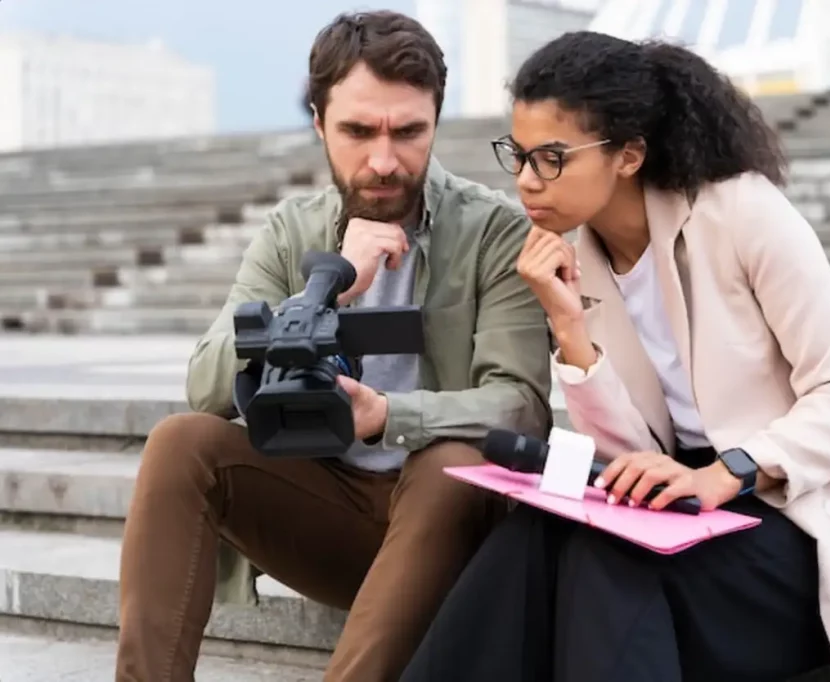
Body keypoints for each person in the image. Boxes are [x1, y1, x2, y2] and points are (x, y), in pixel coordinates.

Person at [399, 31, 830, 682]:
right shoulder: (578, 260)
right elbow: (629, 453)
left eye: (551, 158)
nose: (525, 180)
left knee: (609, 560)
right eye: (518, 155)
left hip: (804, 525)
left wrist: (728, 471)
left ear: (629, 154)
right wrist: (569, 326)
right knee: (533, 538)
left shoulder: (743, 214)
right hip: (687, 512)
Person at [114, 11, 553, 682]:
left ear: (436, 121)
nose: (384, 161)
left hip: (455, 530)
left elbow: (520, 405)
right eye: (358, 131)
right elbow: (206, 385)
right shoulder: (292, 231)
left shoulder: (494, 232)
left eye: (409, 132)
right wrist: (325, 294)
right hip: (331, 516)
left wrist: (389, 415)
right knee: (181, 443)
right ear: (319, 124)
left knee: (451, 464)